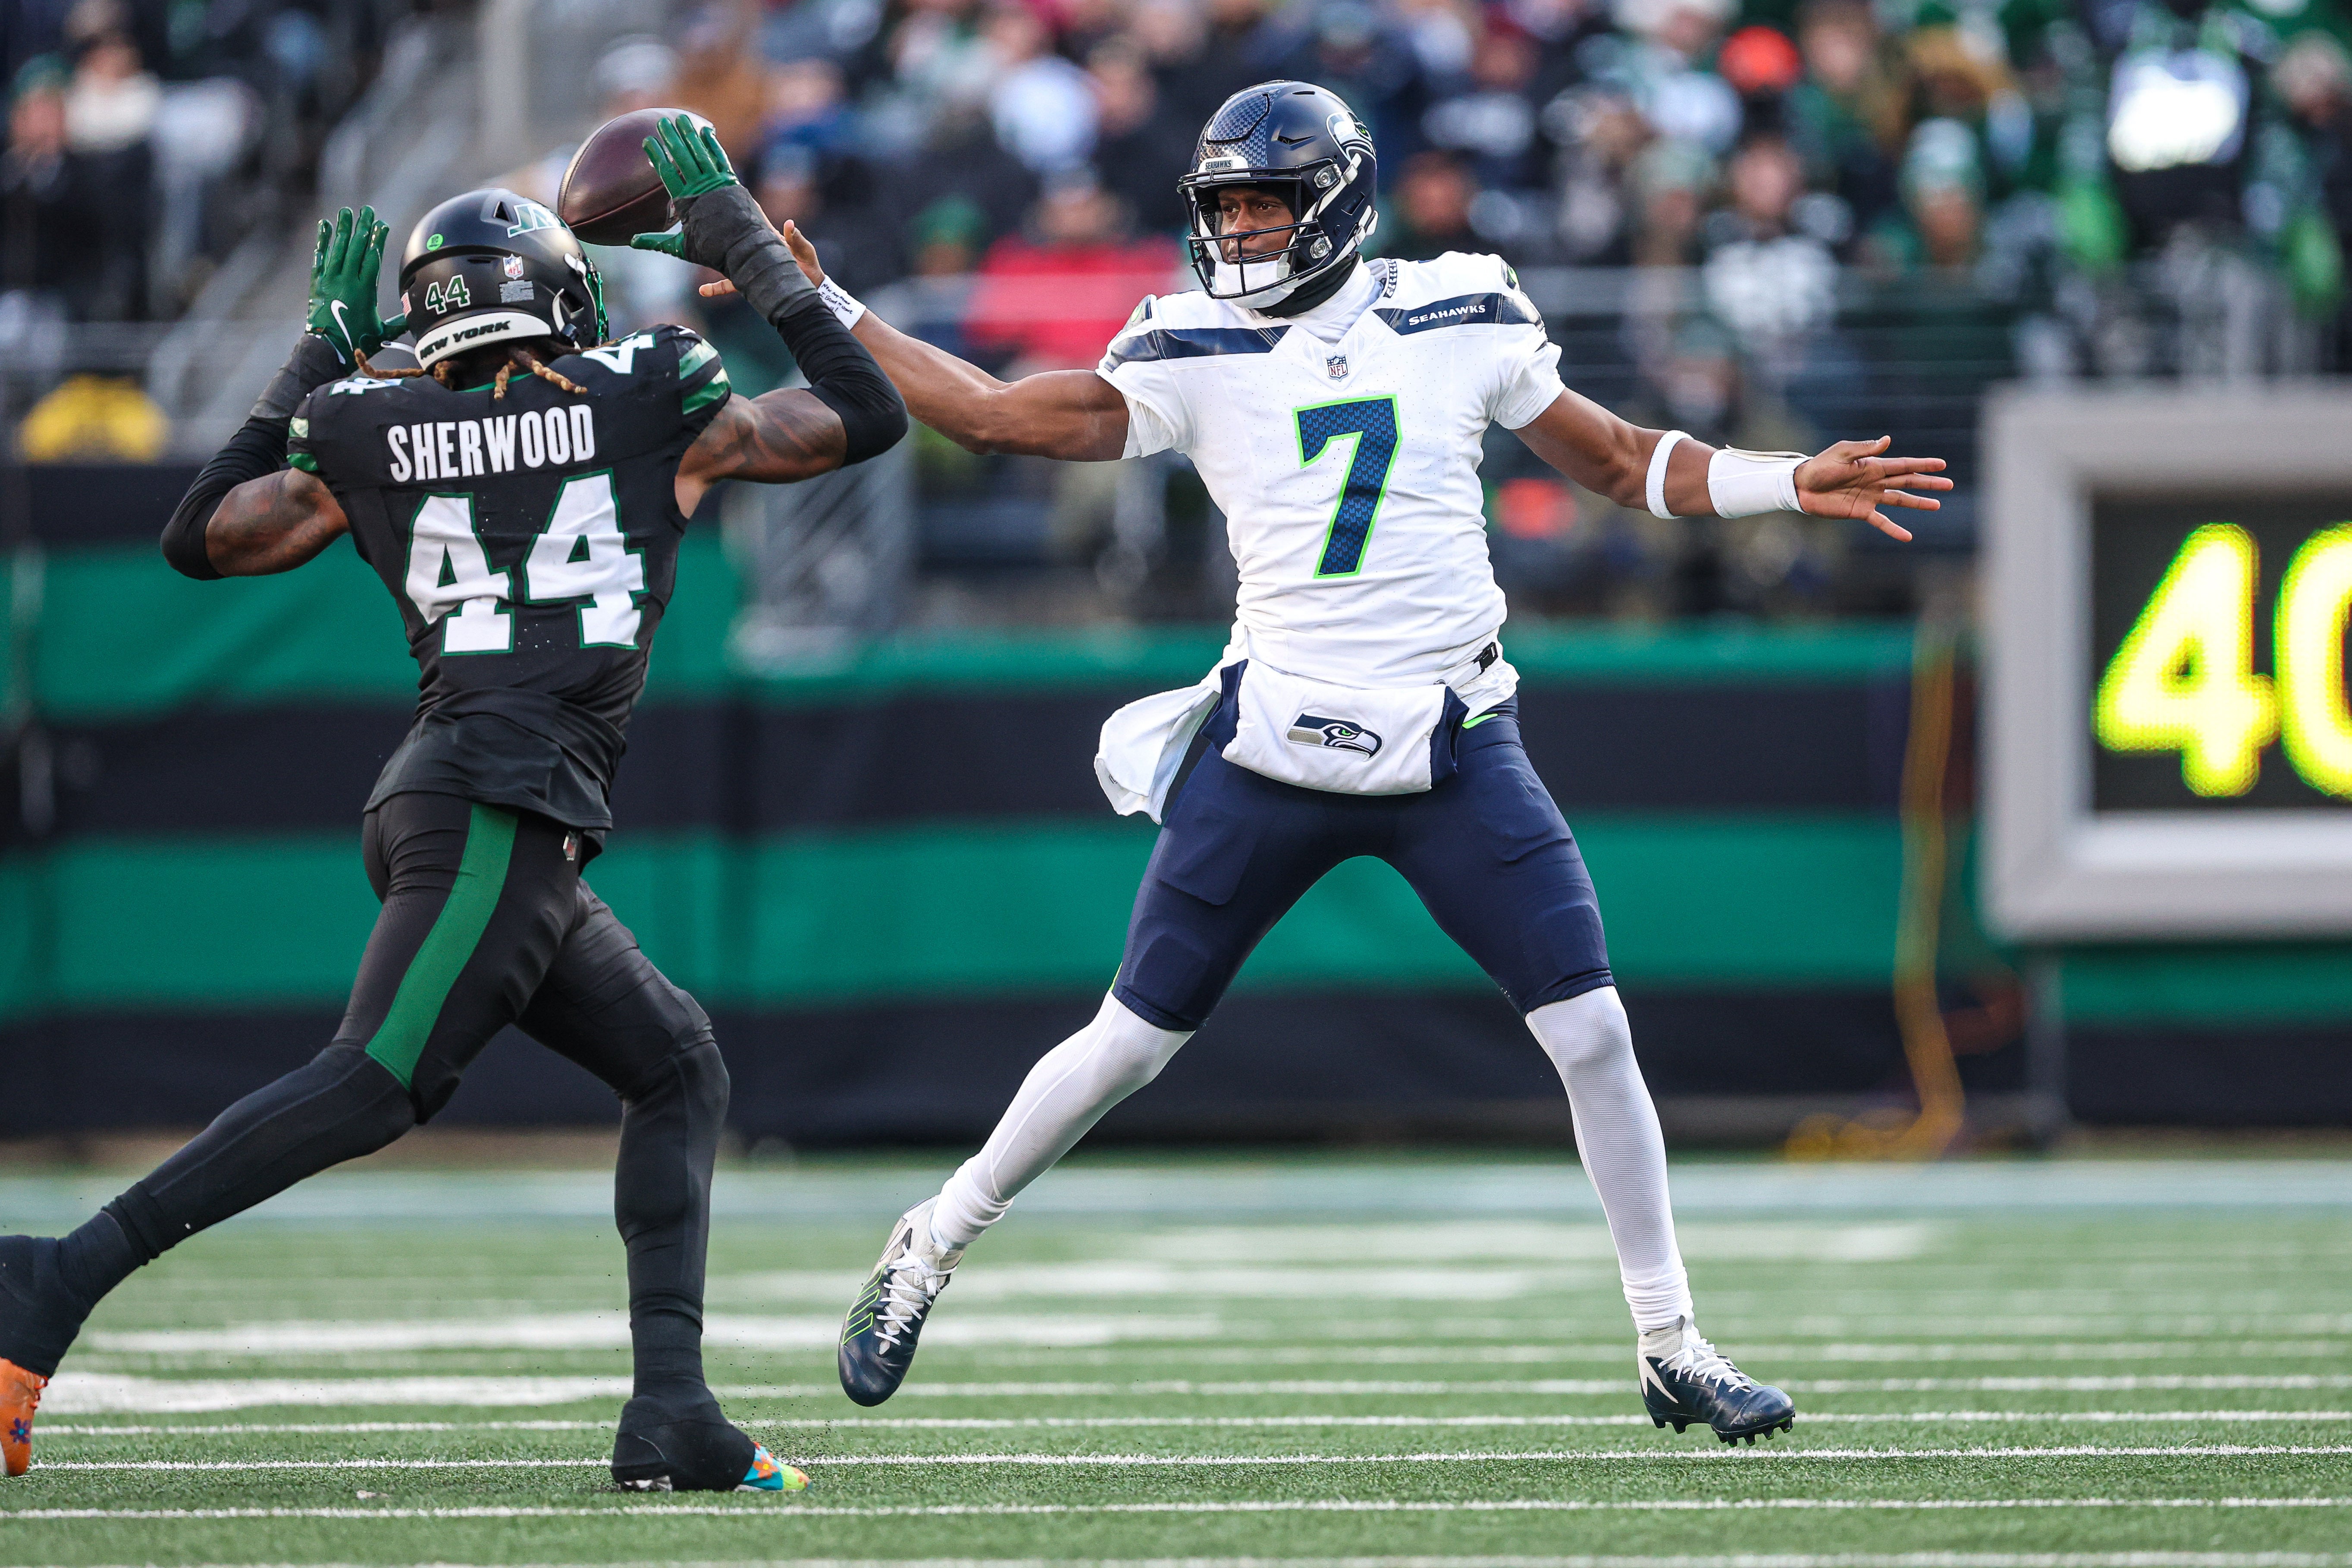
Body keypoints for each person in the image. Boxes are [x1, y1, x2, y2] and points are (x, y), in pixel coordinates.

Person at [766, 80, 1945, 1438]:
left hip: (1451, 741)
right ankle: (930, 1242)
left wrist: (1787, 479)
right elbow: (990, 416)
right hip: (1272, 742)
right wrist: (833, 311)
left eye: (1268, 204)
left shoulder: (1464, 307)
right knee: (1130, 1044)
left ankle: (1671, 1340)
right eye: (1227, 208)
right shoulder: (1190, 338)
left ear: (1335, 201)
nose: (1246, 233)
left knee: (1594, 1028)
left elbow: (1621, 461)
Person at [0, 116, 906, 1489]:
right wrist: (731, 236)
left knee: (676, 1061)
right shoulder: (647, 389)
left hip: (458, 801)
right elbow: (866, 410)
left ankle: (672, 1408)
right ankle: (51, 1281)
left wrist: (315, 348)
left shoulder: (368, 422)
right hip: (497, 802)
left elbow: (200, 536)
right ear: (558, 295)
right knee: (375, 1081)